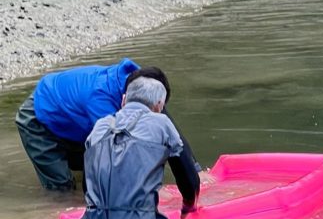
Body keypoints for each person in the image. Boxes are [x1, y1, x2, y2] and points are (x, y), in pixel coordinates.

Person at [70, 77, 199, 219]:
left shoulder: (100, 127)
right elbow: (187, 175)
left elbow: (90, 185)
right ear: (159, 106)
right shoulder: (161, 123)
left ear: (123, 100)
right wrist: (189, 206)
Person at [15, 58, 201, 191]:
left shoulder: (141, 82)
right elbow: (107, 156)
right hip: (38, 118)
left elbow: (169, 127)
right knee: (62, 188)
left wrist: (196, 170)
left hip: (70, 112)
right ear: (123, 100)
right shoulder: (101, 103)